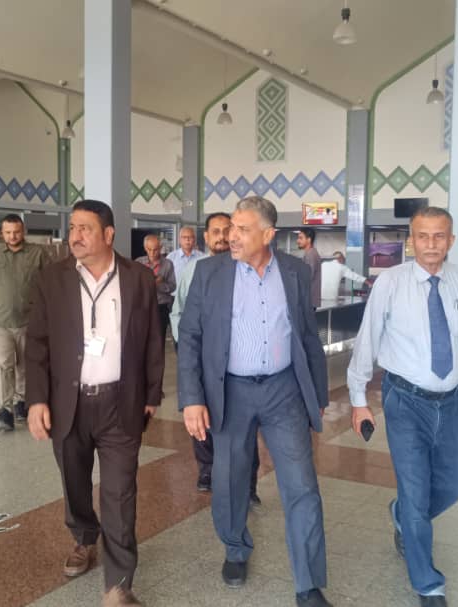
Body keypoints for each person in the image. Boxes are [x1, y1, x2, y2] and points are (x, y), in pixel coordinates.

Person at [178, 196, 332, 607]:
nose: (232, 236)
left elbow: (307, 336)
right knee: (230, 480)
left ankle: (308, 583)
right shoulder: (209, 273)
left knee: (302, 485)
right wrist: (191, 398)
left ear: (268, 235)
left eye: (242, 229)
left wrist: (317, 394)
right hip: (231, 391)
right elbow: (190, 337)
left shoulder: (296, 271)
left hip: (285, 391)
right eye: (231, 227)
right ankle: (235, 548)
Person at [346, 206, 458, 607]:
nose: (431, 244)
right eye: (423, 236)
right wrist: (358, 400)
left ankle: (402, 515)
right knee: (415, 491)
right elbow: (367, 339)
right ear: (411, 241)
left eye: (439, 236)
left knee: (452, 484)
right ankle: (428, 584)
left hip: (453, 403)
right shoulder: (391, 283)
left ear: (451, 240)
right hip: (405, 401)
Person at [25, 199, 164, 607]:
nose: (76, 236)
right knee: (74, 481)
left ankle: (118, 585)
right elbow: (37, 343)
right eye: (72, 228)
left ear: (108, 234)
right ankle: (84, 537)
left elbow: (152, 338)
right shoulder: (52, 278)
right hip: (68, 402)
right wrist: (37, 400)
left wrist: (152, 394)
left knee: (120, 492)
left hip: (121, 401)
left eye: (85, 228)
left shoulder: (138, 277)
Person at [170, 212, 261, 501]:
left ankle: (248, 483)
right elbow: (179, 312)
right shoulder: (196, 270)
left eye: (227, 230)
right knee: (202, 415)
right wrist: (186, 349)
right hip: (203, 359)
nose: (222, 237)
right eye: (216, 232)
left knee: (245, 423)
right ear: (206, 237)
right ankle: (207, 469)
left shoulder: (249, 267)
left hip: (239, 364)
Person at [0, 214, 49, 431]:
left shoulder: (38, 254)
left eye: (16, 232)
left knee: (25, 365)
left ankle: (21, 402)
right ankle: (5, 410)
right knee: (3, 366)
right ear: (2, 234)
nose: (12, 236)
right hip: (0, 322)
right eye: (8, 232)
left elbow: (49, 287)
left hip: (30, 321)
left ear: (23, 231)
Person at [134, 233, 175, 343]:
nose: (152, 253)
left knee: (159, 340)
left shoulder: (168, 264)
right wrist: (147, 282)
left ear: (160, 248)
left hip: (161, 307)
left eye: (156, 249)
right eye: (149, 249)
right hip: (142, 307)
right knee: (141, 339)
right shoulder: (138, 263)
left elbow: (172, 286)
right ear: (145, 248)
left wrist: (158, 284)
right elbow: (133, 285)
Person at [297, 227, 321, 309]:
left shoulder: (311, 255)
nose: (298, 241)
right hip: (308, 300)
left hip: (308, 300)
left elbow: (307, 276)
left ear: (309, 240)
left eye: (301, 238)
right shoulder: (310, 253)